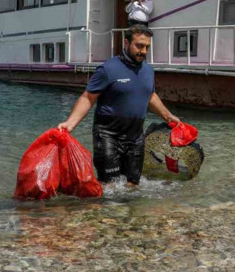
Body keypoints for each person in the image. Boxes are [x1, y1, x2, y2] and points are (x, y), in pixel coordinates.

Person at [58, 25, 180, 186]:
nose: (143, 51)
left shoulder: (148, 71)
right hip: (108, 134)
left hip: (135, 137)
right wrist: (70, 123)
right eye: (139, 45)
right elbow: (88, 97)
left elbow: (150, 95)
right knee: (111, 186)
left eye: (147, 47)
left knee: (132, 185)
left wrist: (168, 116)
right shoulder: (108, 69)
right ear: (126, 43)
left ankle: (132, 212)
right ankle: (102, 211)